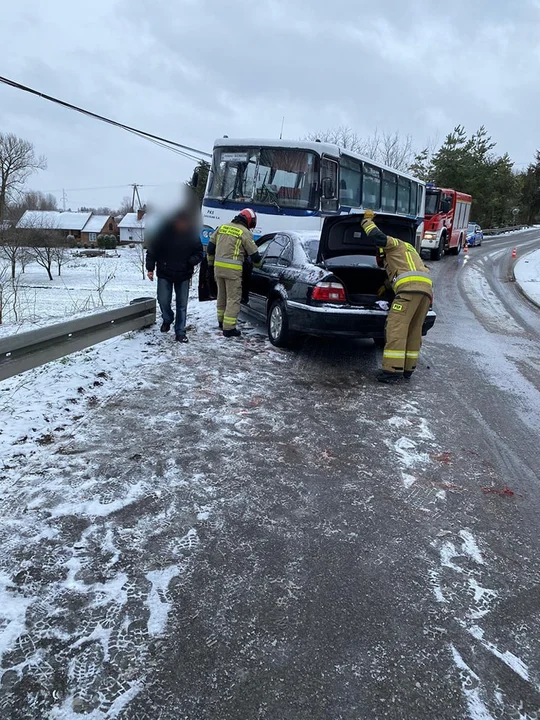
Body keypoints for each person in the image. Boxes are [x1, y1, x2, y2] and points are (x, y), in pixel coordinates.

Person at [361, 210, 433, 383]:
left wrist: (365, 221)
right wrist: (385, 286)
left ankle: (392, 371)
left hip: (409, 291)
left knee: (396, 328)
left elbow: (378, 237)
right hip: (426, 292)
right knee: (414, 330)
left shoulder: (394, 244)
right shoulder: (410, 251)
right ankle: (408, 369)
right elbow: (402, 271)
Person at [146, 208, 203, 343]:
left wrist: (191, 261)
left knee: (182, 305)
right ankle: (168, 318)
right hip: (165, 272)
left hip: (183, 274)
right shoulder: (162, 234)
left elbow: (199, 253)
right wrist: (150, 268)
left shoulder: (192, 235)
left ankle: (180, 332)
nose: (182, 225)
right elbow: (152, 251)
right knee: (163, 300)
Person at [206, 208, 262, 338]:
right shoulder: (245, 233)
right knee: (233, 298)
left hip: (218, 269)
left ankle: (221, 321)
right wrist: (259, 265)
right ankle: (229, 328)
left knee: (222, 295)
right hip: (233, 272)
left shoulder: (222, 227)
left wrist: (210, 264)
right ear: (249, 221)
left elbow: (210, 248)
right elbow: (255, 256)